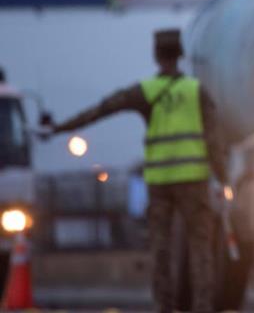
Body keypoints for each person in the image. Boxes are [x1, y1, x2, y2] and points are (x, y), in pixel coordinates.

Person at [50, 29, 227, 313]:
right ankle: (203, 306)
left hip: (159, 183)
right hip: (193, 181)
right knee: (200, 249)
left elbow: (102, 109)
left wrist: (61, 128)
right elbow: (214, 139)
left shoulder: (145, 91)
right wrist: (223, 176)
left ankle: (163, 307)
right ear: (180, 55)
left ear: (156, 56)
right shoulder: (196, 91)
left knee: (161, 248)